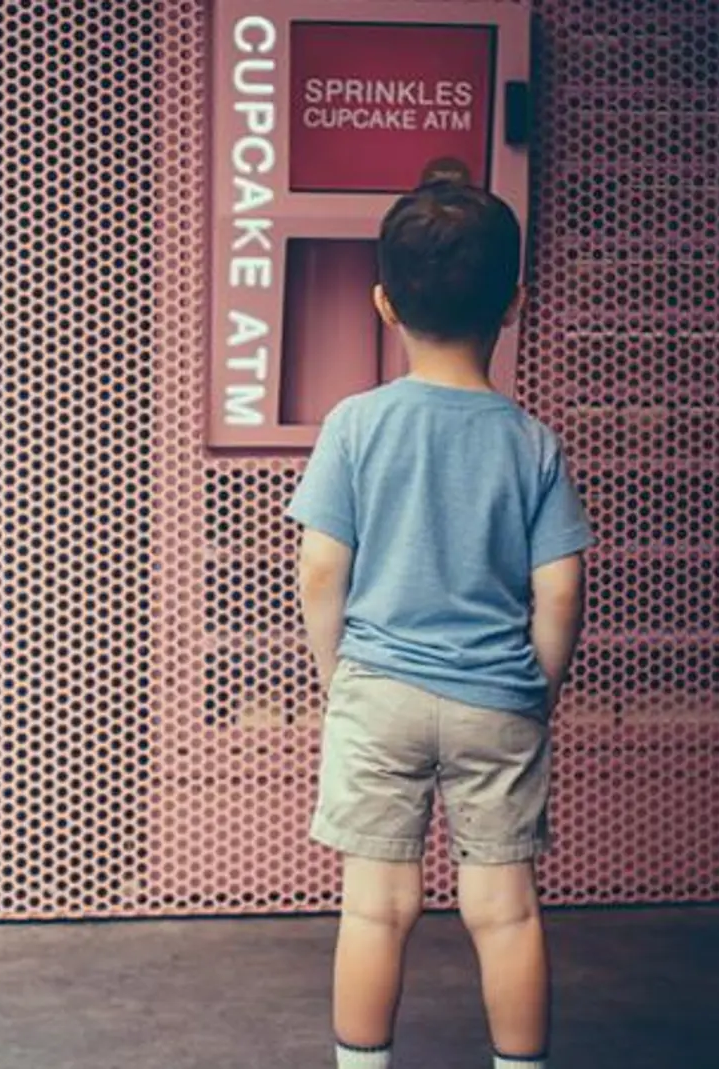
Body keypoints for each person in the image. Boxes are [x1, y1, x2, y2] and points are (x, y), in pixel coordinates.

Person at [288, 181, 590, 1069]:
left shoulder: (354, 425)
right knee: (506, 909)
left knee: (375, 906)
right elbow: (562, 590)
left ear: (383, 303)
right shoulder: (532, 442)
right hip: (497, 696)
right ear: (515, 304)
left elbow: (318, 568)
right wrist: (539, 684)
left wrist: (335, 674)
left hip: (377, 691)